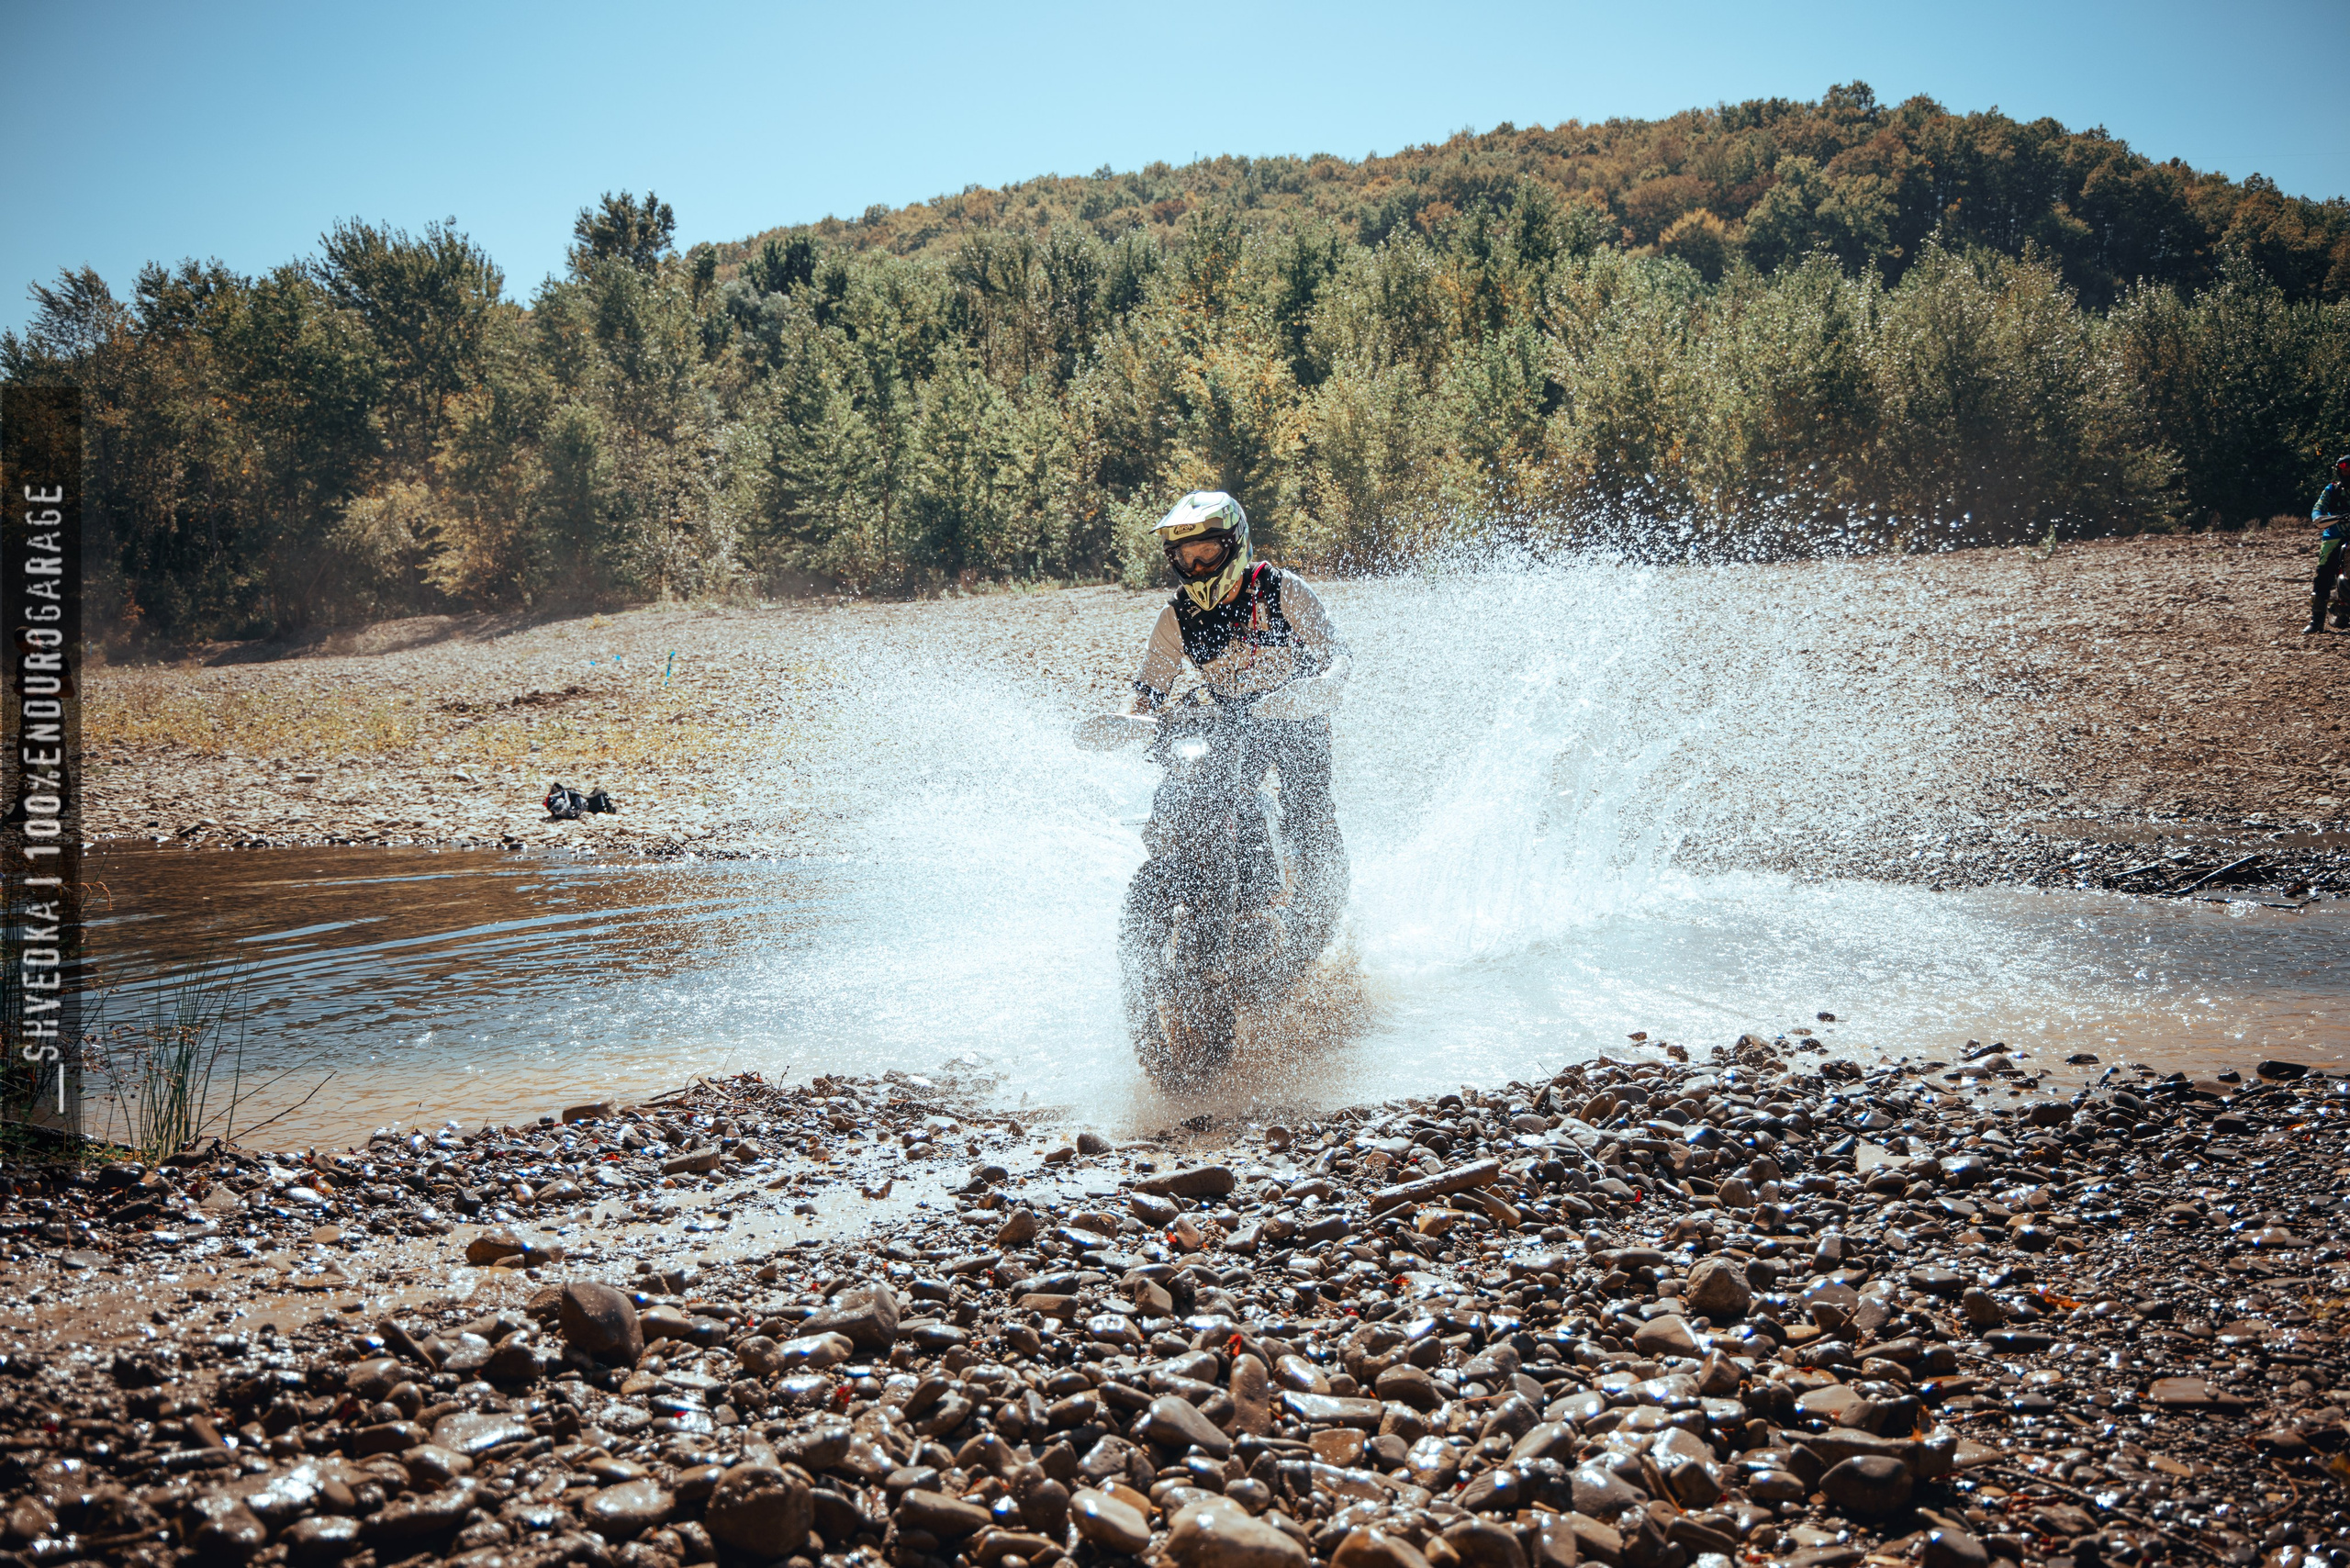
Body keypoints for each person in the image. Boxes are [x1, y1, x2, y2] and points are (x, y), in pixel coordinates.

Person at [1131, 490, 1351, 958]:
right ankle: (1200, 890)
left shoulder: (1282, 590)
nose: (1196, 567)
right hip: (1232, 722)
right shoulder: (1176, 617)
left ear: (1234, 544)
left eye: (1206, 552)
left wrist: (1324, 686)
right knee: (1191, 796)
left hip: (1296, 713)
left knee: (1309, 819)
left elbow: (1337, 655)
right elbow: (1148, 695)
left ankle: (1321, 916)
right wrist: (1130, 722)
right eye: (1184, 557)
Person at [2309, 454, 2350, 634]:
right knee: (2323, 572)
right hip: (2334, 536)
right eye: (2345, 470)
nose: (2348, 473)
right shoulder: (2332, 490)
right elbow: (2318, 508)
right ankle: (2316, 620)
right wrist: (2319, 517)